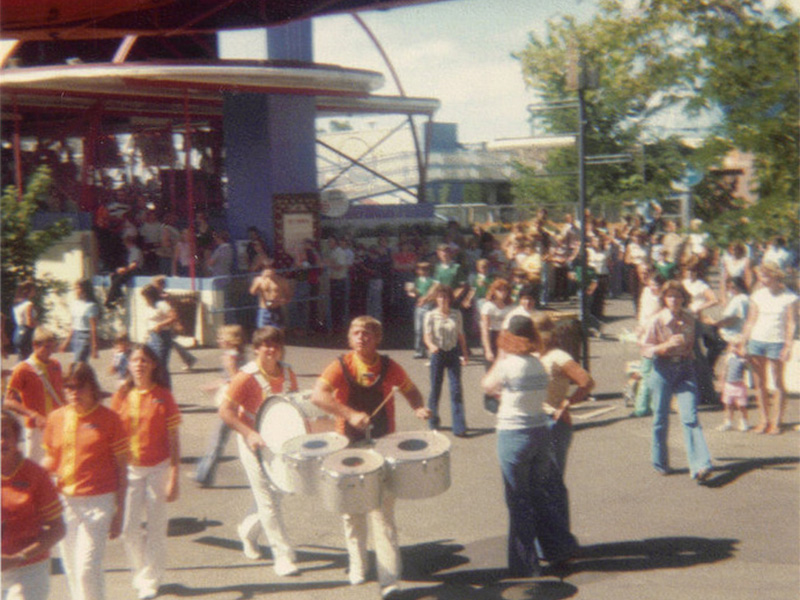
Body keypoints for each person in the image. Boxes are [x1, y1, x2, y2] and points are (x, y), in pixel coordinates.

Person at [311, 316, 430, 598]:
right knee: (352, 511)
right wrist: (350, 414)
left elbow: (412, 391)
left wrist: (418, 408)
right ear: (350, 338)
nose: (361, 337)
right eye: (355, 332)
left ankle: (389, 578)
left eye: (367, 333)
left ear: (377, 338)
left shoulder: (390, 367)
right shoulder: (340, 366)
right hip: (348, 447)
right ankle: (358, 565)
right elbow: (318, 396)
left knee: (383, 513)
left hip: (383, 446)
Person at [481, 315, 577, 577]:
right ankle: (558, 549)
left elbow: (487, 386)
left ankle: (525, 565)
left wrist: (500, 356)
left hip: (514, 434)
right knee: (539, 495)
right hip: (539, 432)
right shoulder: (536, 363)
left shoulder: (508, 364)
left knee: (518, 500)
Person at [217, 326, 300, 573]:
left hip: (280, 443)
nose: (271, 350)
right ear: (256, 349)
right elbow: (225, 411)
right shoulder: (246, 377)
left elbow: (293, 405)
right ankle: (283, 556)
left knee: (276, 495)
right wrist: (249, 433)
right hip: (253, 443)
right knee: (268, 501)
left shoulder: (288, 373)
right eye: (266, 346)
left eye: (276, 345)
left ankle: (246, 532)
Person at [43, 363, 128, 600]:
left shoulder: (110, 419)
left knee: (87, 569)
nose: (73, 392)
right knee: (71, 568)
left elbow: (122, 467)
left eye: (80, 386)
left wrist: (120, 511)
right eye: (68, 387)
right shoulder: (55, 418)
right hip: (65, 502)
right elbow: (51, 458)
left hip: (99, 502)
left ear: (92, 387)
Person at [111, 345, 181, 600]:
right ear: (128, 365)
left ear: (153, 365)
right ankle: (141, 572)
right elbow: (113, 436)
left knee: (156, 527)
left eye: (145, 360)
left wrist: (174, 475)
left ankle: (150, 579)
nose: (139, 364)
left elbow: (174, 439)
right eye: (135, 360)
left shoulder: (164, 395)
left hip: (158, 469)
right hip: (129, 470)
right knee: (127, 528)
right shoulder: (121, 394)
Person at [642, 281, 713, 482]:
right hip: (662, 369)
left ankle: (701, 466)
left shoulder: (690, 319)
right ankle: (660, 462)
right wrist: (663, 346)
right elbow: (645, 348)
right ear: (664, 299)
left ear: (684, 298)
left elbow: (693, 344)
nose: (674, 300)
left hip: (685, 369)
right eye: (670, 296)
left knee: (690, 416)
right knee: (660, 418)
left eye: (677, 296)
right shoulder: (656, 320)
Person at [1, 410, 66, 600]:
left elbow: (58, 528)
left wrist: (19, 557)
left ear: (17, 438)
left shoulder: (35, 475)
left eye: (6, 435)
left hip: (28, 570)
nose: (2, 442)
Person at [739, 262, 798, 435]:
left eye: (764, 276)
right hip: (757, 341)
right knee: (759, 383)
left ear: (775, 276)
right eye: (759, 276)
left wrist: (788, 345)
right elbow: (750, 321)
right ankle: (764, 419)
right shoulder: (757, 295)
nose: (761, 280)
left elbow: (791, 323)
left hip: (777, 342)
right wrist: (743, 342)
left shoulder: (790, 297)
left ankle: (776, 421)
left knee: (778, 381)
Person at [533, 314, 594, 475]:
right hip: (532, 421)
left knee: (552, 479)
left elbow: (587, 382)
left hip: (552, 421)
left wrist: (567, 403)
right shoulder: (534, 355)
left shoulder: (558, 357)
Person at [194, 325, 246, 487]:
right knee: (221, 438)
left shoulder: (231, 357)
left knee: (218, 439)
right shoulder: (234, 355)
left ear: (231, 341)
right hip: (233, 402)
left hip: (231, 403)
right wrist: (214, 384)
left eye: (222, 337)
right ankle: (204, 474)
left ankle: (204, 475)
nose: (219, 340)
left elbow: (235, 379)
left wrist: (226, 373)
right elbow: (228, 379)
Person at [4, 327, 65, 464]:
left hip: (56, 423)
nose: (50, 352)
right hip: (36, 427)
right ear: (35, 345)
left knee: (57, 464)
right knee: (35, 467)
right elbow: (8, 401)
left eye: (52, 347)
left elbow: (60, 393)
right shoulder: (23, 369)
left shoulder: (55, 365)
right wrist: (32, 414)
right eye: (47, 347)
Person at [423, 284, 470, 437]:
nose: (443, 300)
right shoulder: (430, 315)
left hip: (453, 354)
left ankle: (459, 426)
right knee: (435, 389)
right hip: (438, 354)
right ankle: (433, 421)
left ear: (450, 299)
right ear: (436, 299)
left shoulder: (457, 314)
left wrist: (464, 354)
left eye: (446, 297)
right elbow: (427, 335)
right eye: (440, 297)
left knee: (456, 390)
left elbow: (461, 335)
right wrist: (431, 346)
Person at [480, 279, 513, 413]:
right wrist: (488, 349)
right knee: (491, 370)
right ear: (494, 291)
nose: (502, 293)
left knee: (506, 372)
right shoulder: (488, 306)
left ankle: (504, 401)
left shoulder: (510, 306)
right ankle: (489, 400)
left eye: (505, 290)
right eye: (499, 290)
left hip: (505, 337)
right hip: (492, 337)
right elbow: (485, 329)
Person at [141, 284, 178, 389]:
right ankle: (154, 391)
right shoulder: (149, 306)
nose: (145, 299)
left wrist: (160, 325)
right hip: (151, 336)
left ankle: (166, 392)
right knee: (151, 365)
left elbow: (174, 317)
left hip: (162, 336)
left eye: (146, 297)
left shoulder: (162, 304)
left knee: (161, 365)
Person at [60, 278, 100, 363]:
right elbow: (73, 325)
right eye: (75, 288)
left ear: (85, 290)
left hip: (84, 336)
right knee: (79, 364)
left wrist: (94, 346)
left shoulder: (91, 306)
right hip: (75, 336)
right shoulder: (75, 304)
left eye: (78, 288)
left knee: (78, 362)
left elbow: (93, 328)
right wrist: (66, 342)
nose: (75, 291)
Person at [715, 341, 750, 432]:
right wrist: (721, 382)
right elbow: (724, 370)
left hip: (740, 386)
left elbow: (749, 367)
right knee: (728, 405)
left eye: (738, 346)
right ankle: (728, 422)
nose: (735, 349)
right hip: (729, 385)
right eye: (733, 346)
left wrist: (744, 356)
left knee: (741, 406)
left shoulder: (743, 359)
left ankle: (744, 422)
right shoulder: (728, 358)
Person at [104, 235, 143, 309]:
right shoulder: (128, 251)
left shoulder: (135, 251)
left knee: (117, 280)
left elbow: (133, 265)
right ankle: (119, 295)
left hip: (135, 270)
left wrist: (124, 269)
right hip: (129, 270)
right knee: (114, 276)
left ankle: (109, 300)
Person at [249, 265, 292, 330]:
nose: (269, 272)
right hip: (264, 309)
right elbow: (252, 292)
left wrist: (285, 300)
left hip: (276, 308)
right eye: (266, 269)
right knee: (262, 330)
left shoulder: (281, 280)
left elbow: (288, 293)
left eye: (270, 269)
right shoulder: (259, 280)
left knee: (278, 330)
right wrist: (258, 284)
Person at [409, 262, 435, 359]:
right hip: (419, 306)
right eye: (420, 269)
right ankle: (419, 350)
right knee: (418, 329)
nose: (423, 271)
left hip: (429, 305)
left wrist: (427, 299)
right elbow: (415, 293)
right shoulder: (416, 281)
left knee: (429, 328)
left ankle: (432, 349)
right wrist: (412, 293)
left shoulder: (432, 281)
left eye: (425, 269)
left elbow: (433, 293)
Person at [11, 281, 38, 360]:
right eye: (33, 290)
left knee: (21, 357)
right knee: (29, 358)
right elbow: (30, 322)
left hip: (18, 332)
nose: (35, 292)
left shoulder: (17, 304)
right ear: (28, 291)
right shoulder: (28, 304)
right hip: (27, 333)